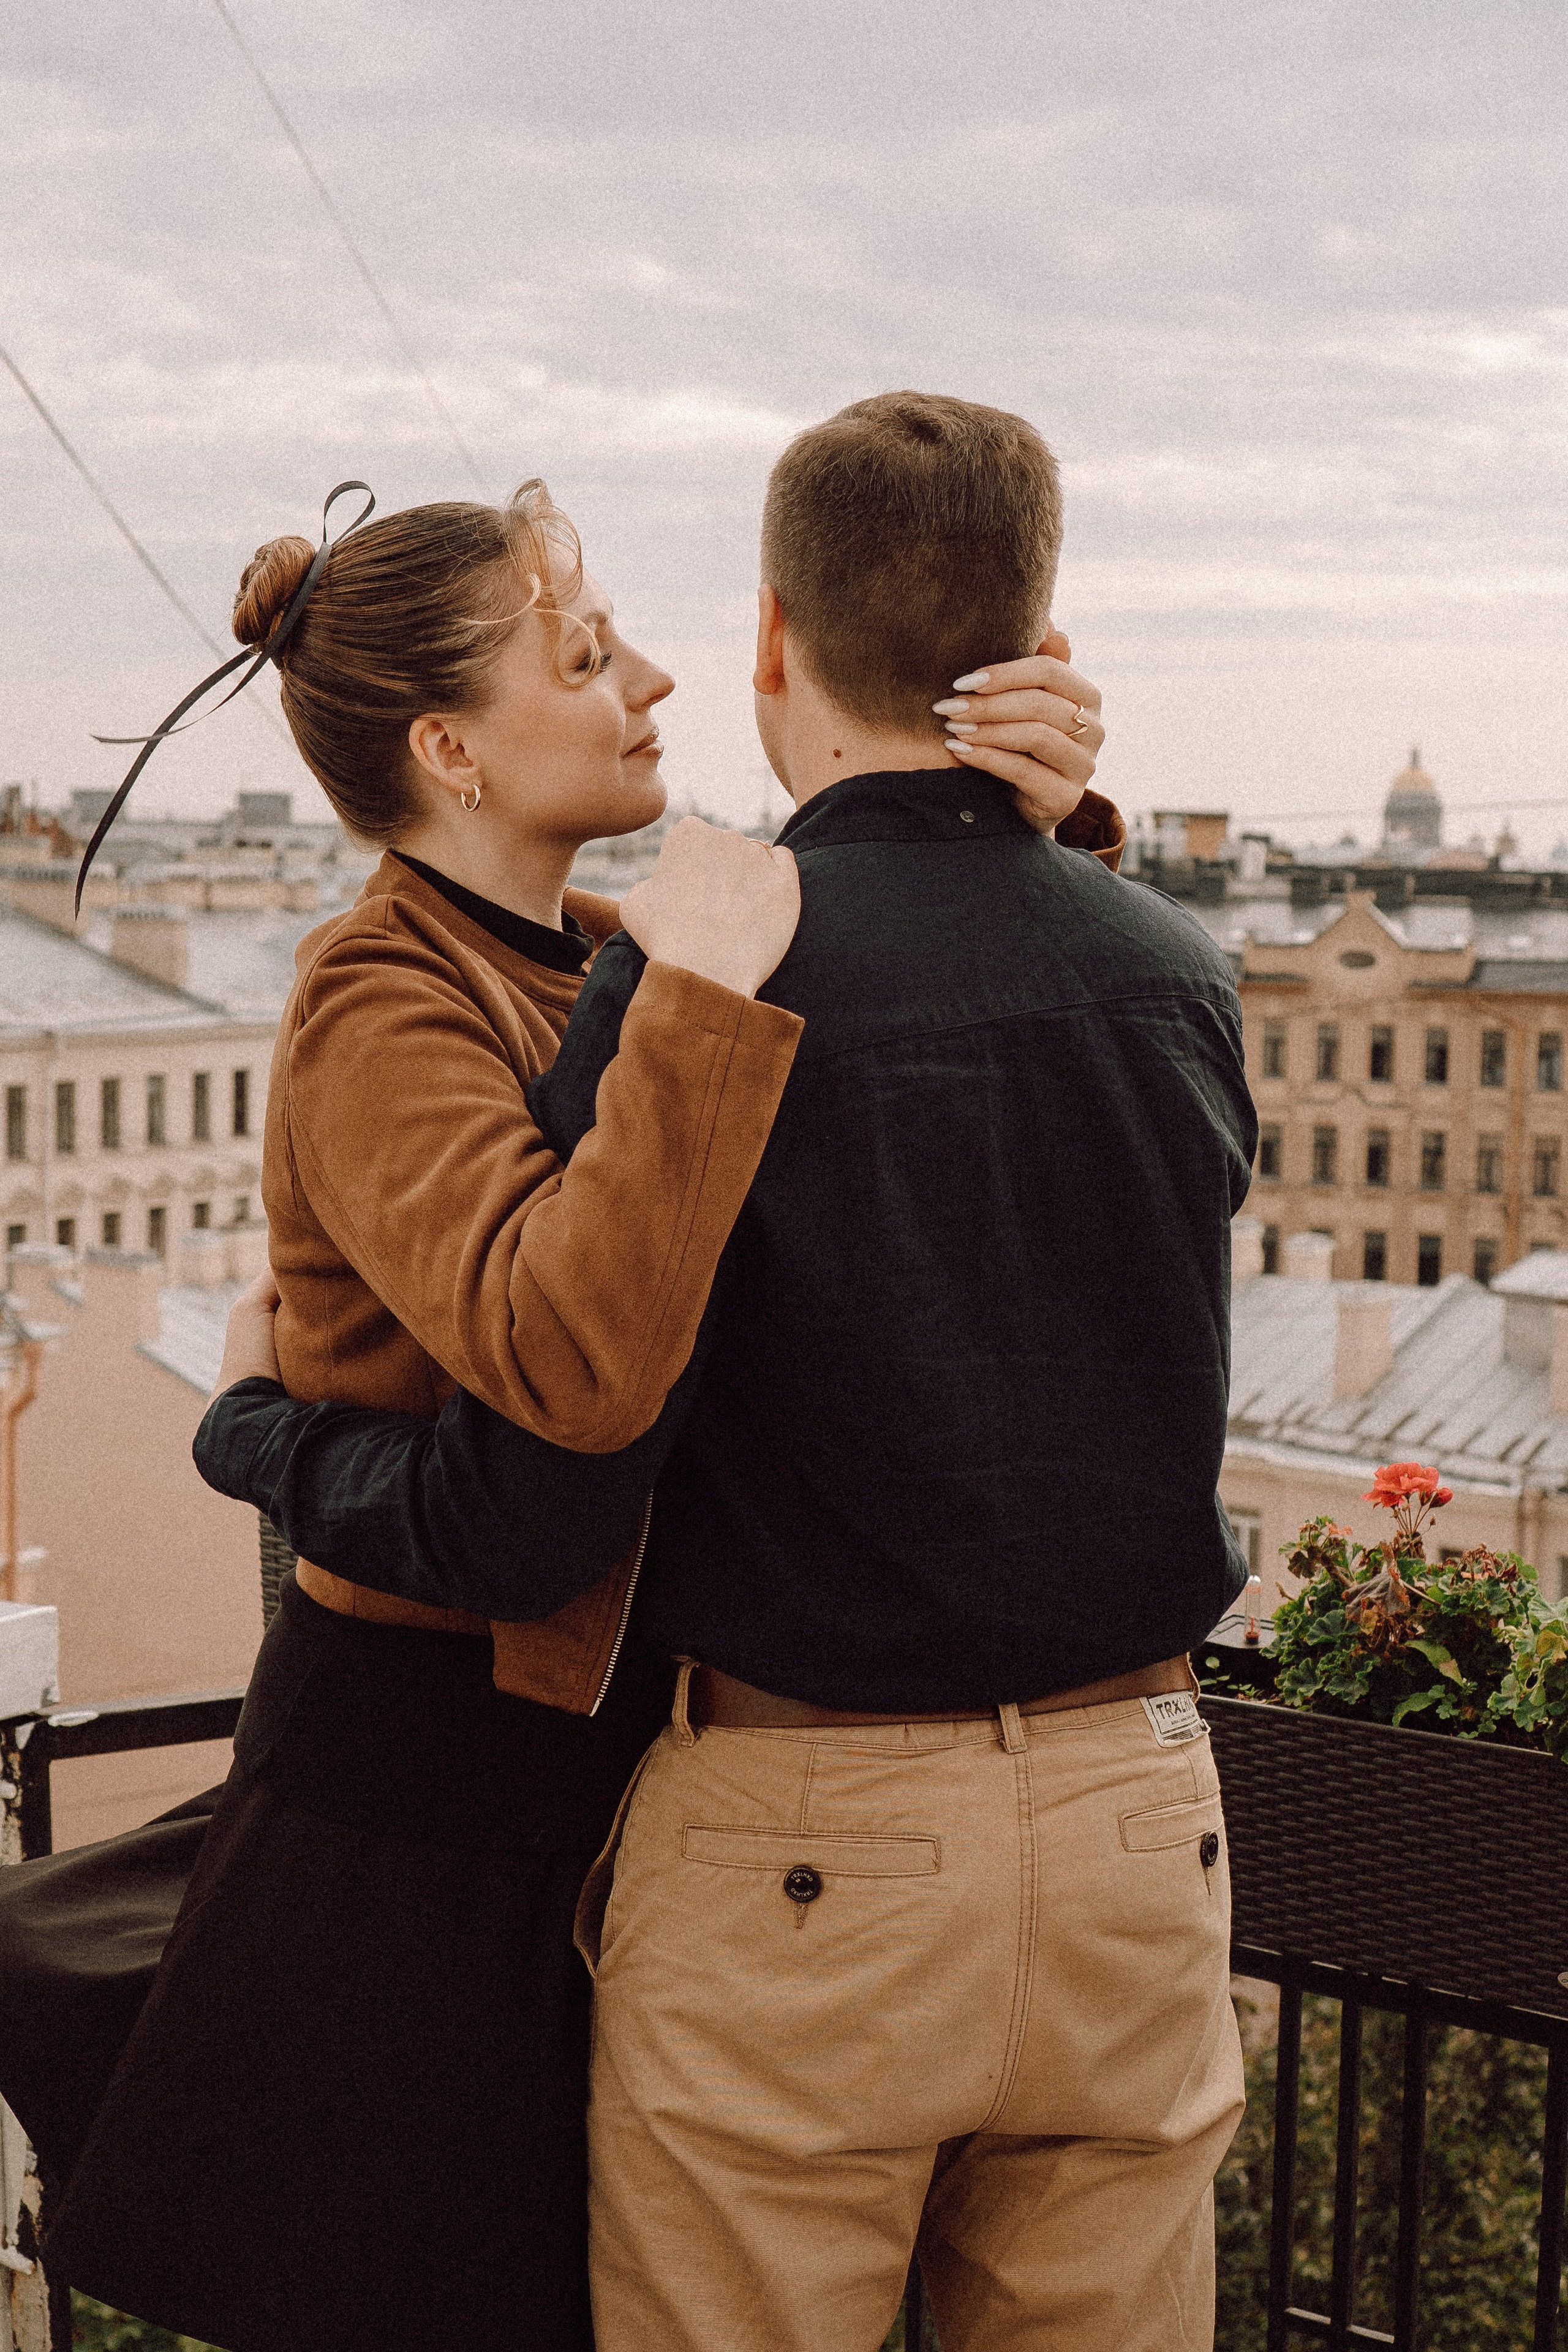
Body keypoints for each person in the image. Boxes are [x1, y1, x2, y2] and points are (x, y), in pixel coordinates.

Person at [194, 392, 1253, 2352]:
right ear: (447, 747)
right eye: (586, 656)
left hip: (761, 1833)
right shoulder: (425, 985)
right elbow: (566, 1383)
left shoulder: (651, 955)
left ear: (779, 632)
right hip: (468, 1811)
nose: (654, 677)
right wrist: (1028, 881)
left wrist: (1024, 846)